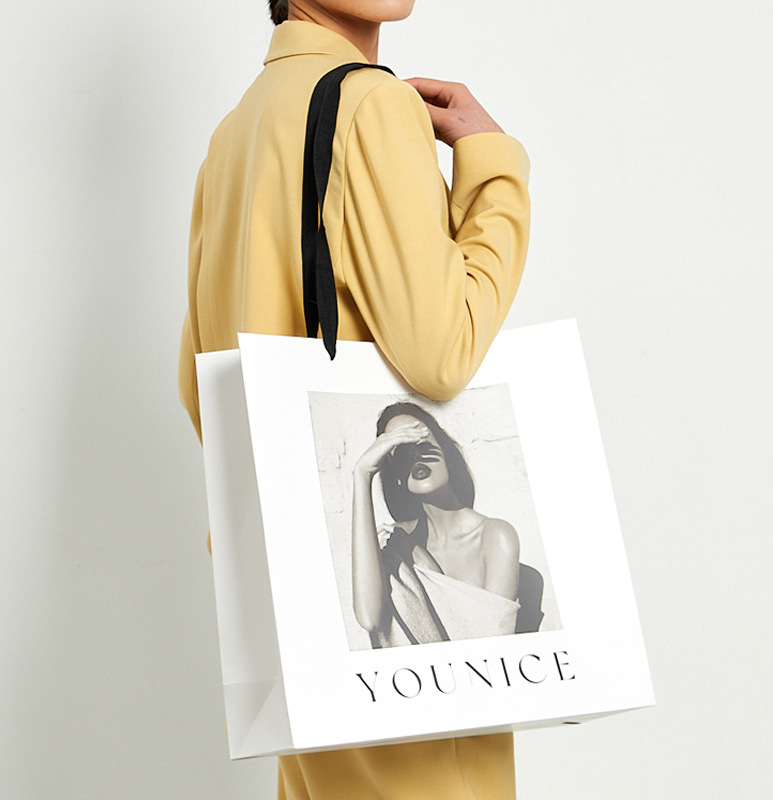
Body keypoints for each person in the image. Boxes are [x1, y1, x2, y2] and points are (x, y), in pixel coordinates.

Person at [179, 0, 530, 797]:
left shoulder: (233, 135)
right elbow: (441, 355)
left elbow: (201, 388)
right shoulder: (371, 104)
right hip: (403, 650)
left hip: (293, 596)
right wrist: (494, 167)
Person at [353, 402, 520, 647]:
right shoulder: (399, 545)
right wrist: (362, 473)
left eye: (421, 441)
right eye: (401, 450)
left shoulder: (495, 536)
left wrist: (427, 566)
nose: (415, 456)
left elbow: (494, 643)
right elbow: (370, 619)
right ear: (395, 474)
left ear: (446, 453)